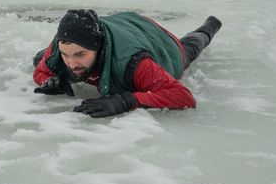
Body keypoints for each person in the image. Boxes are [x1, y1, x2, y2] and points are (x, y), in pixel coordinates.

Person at [32, 9, 222, 118]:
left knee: (188, 48)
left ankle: (209, 27)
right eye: (66, 55)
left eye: (80, 54)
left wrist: (128, 100)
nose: (72, 63)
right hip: (120, 25)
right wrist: (50, 80)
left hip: (158, 41)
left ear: (98, 47)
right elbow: (41, 72)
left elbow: (183, 97)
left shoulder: (134, 62)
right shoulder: (59, 46)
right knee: (41, 59)